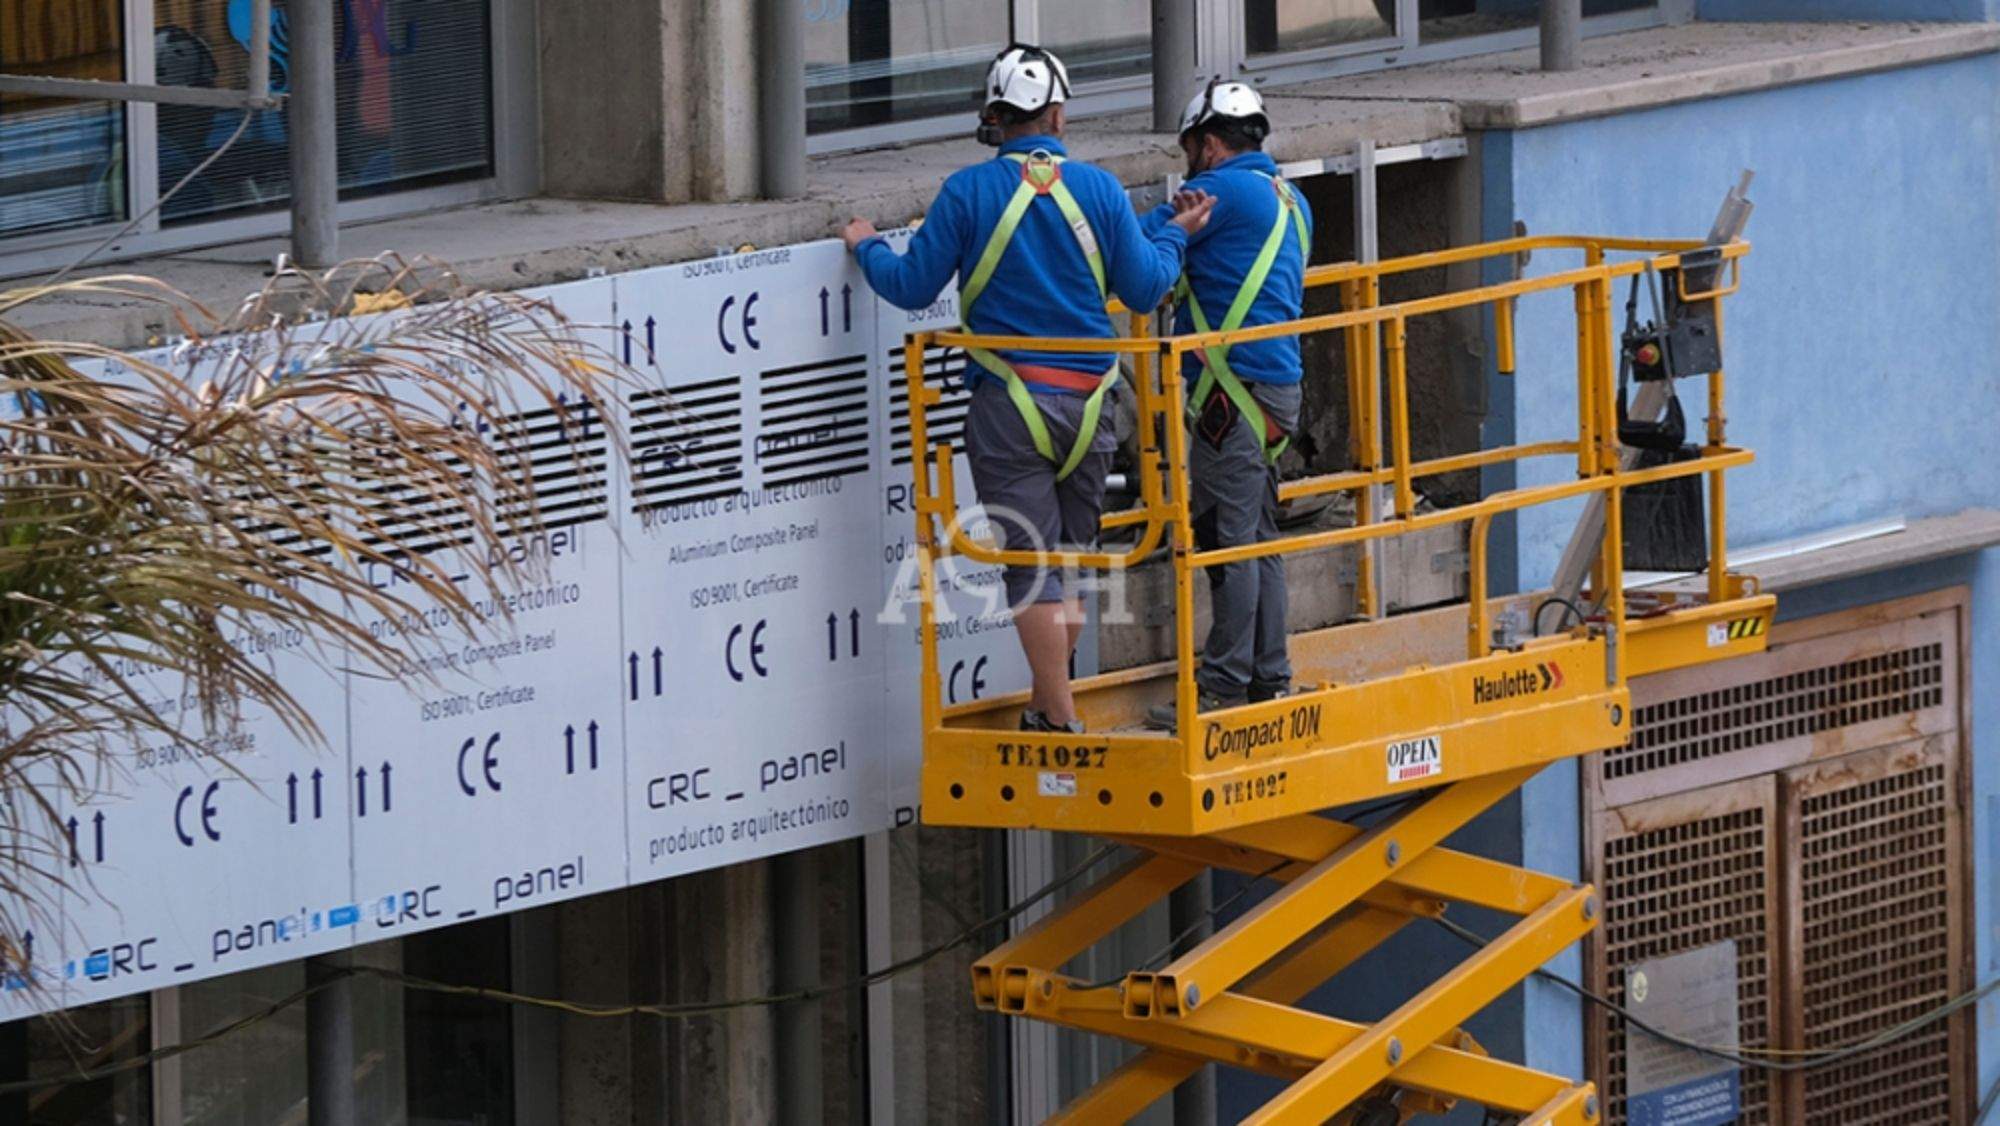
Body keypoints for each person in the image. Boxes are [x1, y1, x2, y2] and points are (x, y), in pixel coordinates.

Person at [843, 44, 1213, 734]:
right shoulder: (1099, 190)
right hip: (1093, 401)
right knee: (1067, 561)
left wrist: (866, 246)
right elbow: (1145, 286)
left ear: (994, 118)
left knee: (1029, 565)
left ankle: (1060, 714)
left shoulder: (968, 193)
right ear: (1058, 115)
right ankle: (1049, 707)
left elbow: (910, 286)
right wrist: (1174, 237)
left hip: (1010, 403)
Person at [1144, 81, 1313, 730]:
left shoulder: (1220, 192)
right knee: (1260, 536)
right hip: (1274, 388)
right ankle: (1269, 675)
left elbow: (1137, 241)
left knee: (1226, 540)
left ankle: (1222, 685)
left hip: (1231, 392)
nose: (1189, 163)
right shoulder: (1290, 198)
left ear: (1210, 144)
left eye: (1190, 149)